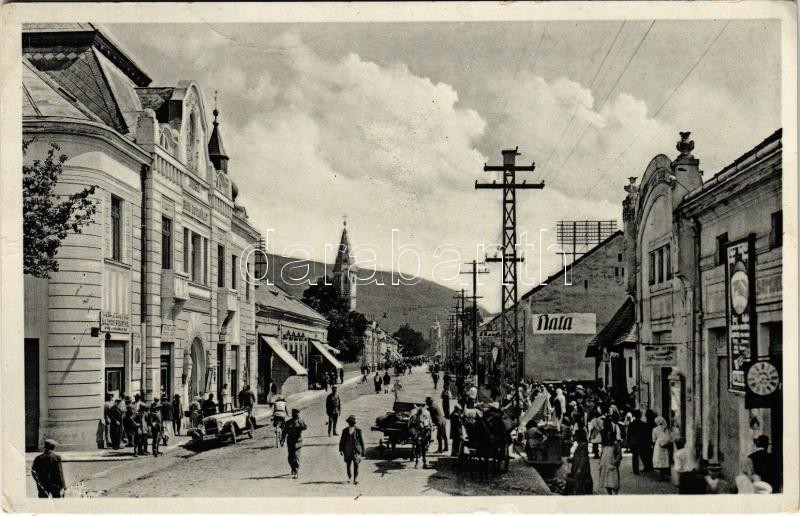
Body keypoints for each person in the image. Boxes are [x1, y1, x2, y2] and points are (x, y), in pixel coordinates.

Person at [598, 417, 622, 494]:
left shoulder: (615, 444)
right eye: (607, 435)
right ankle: (609, 494)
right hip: (605, 464)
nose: (608, 436)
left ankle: (615, 494)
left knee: (614, 481)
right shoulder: (604, 445)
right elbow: (602, 453)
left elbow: (619, 455)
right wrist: (600, 462)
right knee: (606, 481)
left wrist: (615, 462)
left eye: (610, 435)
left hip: (612, 464)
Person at [339, 415, 365, 484]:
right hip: (347, 451)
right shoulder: (345, 431)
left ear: (354, 423)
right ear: (348, 423)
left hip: (356, 451)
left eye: (352, 422)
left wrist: (363, 451)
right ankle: (349, 477)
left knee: (356, 465)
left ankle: (355, 479)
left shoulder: (358, 430)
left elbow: (361, 441)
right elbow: (342, 441)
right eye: (350, 422)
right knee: (348, 465)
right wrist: (340, 450)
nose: (351, 423)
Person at [282, 408, 307, 478]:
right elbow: (284, 432)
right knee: (290, 458)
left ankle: (296, 471)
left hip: (298, 442)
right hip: (290, 442)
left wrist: (300, 423)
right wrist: (282, 440)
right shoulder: (288, 422)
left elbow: (305, 427)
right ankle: (293, 468)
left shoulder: (300, 421)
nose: (295, 415)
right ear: (292, 414)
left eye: (297, 414)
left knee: (296, 456)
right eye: (294, 414)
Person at [568, 428, 593, 495]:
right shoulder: (580, 445)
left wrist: (580, 468)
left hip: (581, 469)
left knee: (581, 483)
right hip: (579, 467)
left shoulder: (583, 445)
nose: (573, 436)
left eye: (575, 435)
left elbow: (583, 458)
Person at [627, 409, 652, 474]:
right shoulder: (643, 424)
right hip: (641, 442)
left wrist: (628, 442)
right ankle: (646, 467)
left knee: (635, 456)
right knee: (643, 455)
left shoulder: (631, 424)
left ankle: (635, 470)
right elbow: (646, 435)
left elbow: (629, 434)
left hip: (634, 442)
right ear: (640, 416)